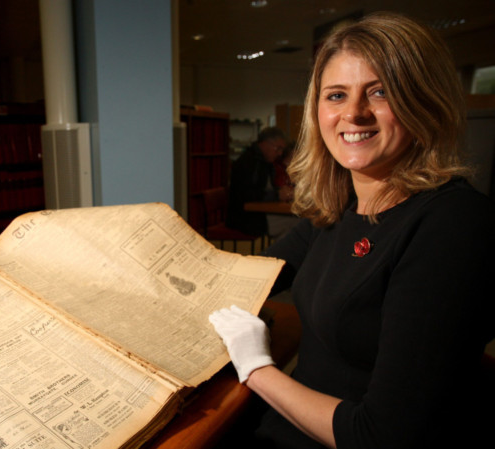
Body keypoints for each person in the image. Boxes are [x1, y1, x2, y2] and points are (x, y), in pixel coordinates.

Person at [209, 11, 495, 449]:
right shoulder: (341, 206)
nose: (354, 114)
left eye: (380, 92)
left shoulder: (452, 226)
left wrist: (257, 369)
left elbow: (382, 435)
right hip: (290, 426)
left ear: (424, 101)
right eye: (336, 95)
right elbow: (250, 275)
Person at [227, 127, 294, 238]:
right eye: (278, 148)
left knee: (300, 223)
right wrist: (277, 195)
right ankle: (276, 254)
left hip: (259, 215)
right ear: (265, 143)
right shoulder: (249, 162)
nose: (280, 153)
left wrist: (279, 192)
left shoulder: (264, 161)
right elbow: (248, 195)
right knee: (300, 225)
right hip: (248, 219)